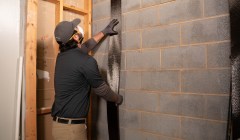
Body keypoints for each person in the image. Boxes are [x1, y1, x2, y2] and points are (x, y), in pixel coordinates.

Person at [51, 18, 123, 140]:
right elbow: (102, 90)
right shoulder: (86, 61)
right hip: (71, 132)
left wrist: (105, 31)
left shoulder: (62, 57)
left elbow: (86, 46)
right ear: (75, 37)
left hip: (58, 127)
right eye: (75, 29)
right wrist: (118, 98)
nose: (78, 30)